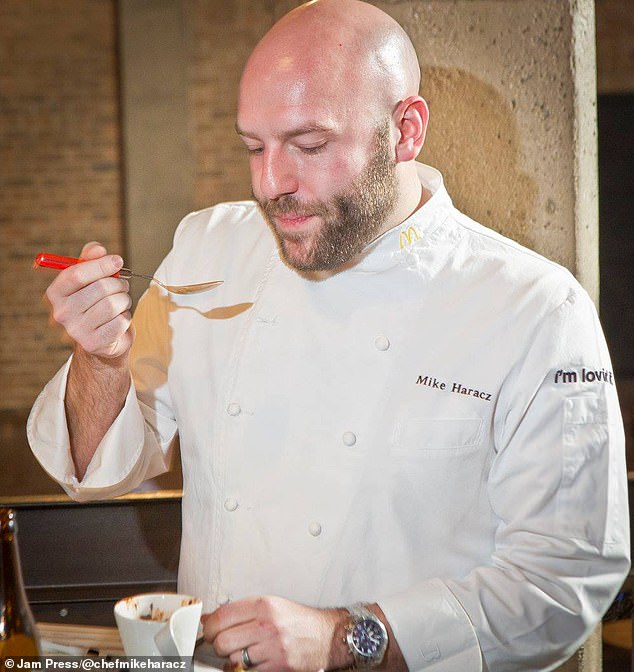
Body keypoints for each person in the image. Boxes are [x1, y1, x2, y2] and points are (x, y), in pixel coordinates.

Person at [28, 1, 629, 670]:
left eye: (309, 146)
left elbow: (565, 578)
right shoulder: (208, 249)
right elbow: (97, 469)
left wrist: (349, 638)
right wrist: (100, 361)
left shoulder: (533, 310)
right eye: (254, 147)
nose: (270, 185)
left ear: (405, 131)